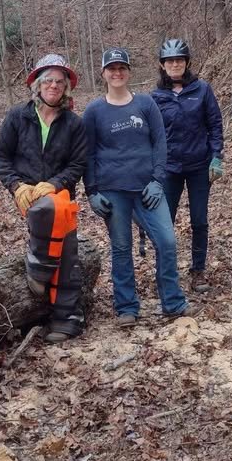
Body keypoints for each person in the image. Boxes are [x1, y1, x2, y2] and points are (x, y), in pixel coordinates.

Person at [82, 48, 196, 326]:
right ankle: (126, 307)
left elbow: (160, 143)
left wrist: (158, 180)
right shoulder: (94, 111)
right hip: (112, 190)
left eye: (122, 68)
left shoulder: (145, 104)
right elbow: (87, 154)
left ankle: (172, 301)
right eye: (112, 68)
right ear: (103, 73)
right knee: (121, 248)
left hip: (148, 189)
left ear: (129, 72)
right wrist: (92, 192)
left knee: (167, 242)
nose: (117, 73)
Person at [0, 53, 87, 344]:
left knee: (67, 251)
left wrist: (56, 183)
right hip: (27, 196)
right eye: (48, 80)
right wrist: (16, 186)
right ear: (37, 84)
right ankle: (41, 276)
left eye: (59, 81)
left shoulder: (73, 123)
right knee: (45, 220)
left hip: (59, 196)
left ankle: (66, 316)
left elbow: (78, 164)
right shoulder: (17, 117)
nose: (54, 85)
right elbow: (0, 156)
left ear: (66, 88)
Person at [150, 39, 223, 292]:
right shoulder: (155, 97)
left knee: (199, 220)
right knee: (164, 222)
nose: (175, 64)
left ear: (187, 62)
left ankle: (198, 271)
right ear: (162, 65)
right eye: (170, 61)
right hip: (168, 168)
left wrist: (217, 155)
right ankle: (165, 271)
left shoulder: (202, 90)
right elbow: (151, 135)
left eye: (179, 60)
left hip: (199, 165)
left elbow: (215, 124)